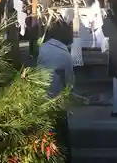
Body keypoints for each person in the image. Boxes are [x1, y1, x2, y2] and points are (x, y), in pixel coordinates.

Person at [37, 19, 74, 162]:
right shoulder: (65, 56)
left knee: (46, 132)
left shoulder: (43, 48)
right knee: (61, 134)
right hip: (57, 99)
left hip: (41, 96)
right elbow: (70, 83)